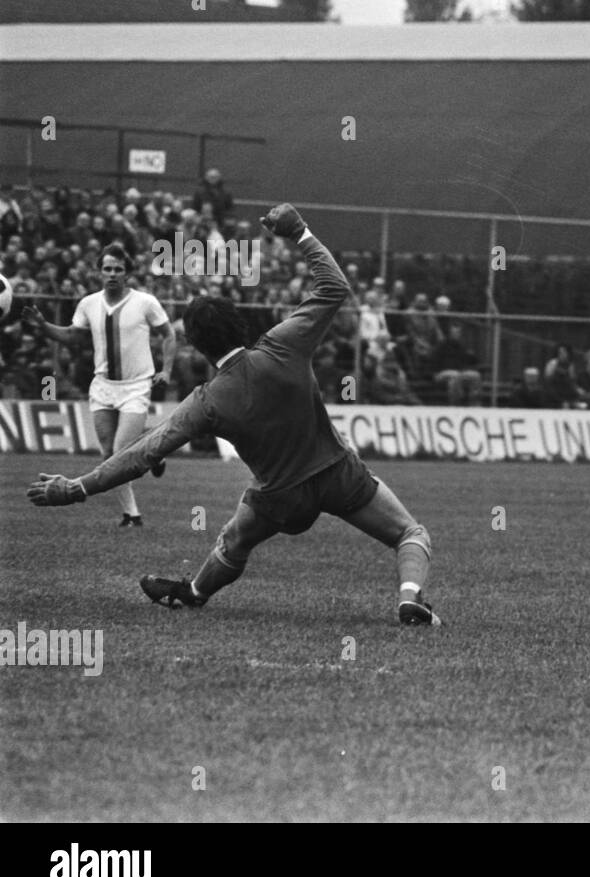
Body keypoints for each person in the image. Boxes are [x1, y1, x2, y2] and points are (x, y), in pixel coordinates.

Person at [25, 204, 439, 626]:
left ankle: (194, 592)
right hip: (338, 473)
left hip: (280, 498)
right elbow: (334, 286)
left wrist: (77, 487)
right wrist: (299, 233)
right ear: (238, 324)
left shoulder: (207, 401)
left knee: (236, 539)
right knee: (410, 533)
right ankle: (410, 598)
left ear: (197, 346)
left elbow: (142, 453)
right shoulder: (283, 344)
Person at [22, 243, 174, 527]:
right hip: (103, 386)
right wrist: (43, 325)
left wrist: (166, 370)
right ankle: (132, 513)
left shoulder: (145, 302)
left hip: (136, 385)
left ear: (127, 273)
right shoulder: (89, 304)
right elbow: (72, 337)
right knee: (108, 455)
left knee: (119, 451)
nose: (112, 274)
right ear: (99, 271)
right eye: (107, 268)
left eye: (118, 269)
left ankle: (149, 465)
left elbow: (168, 335)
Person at [431, 321, 482, 405]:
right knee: (455, 376)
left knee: (475, 375)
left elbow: (471, 360)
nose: (456, 334)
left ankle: (475, 404)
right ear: (450, 333)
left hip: (459, 373)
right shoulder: (442, 346)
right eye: (454, 332)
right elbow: (434, 363)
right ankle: (456, 404)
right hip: (441, 373)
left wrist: (472, 355)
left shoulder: (461, 347)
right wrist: (436, 373)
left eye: (458, 332)